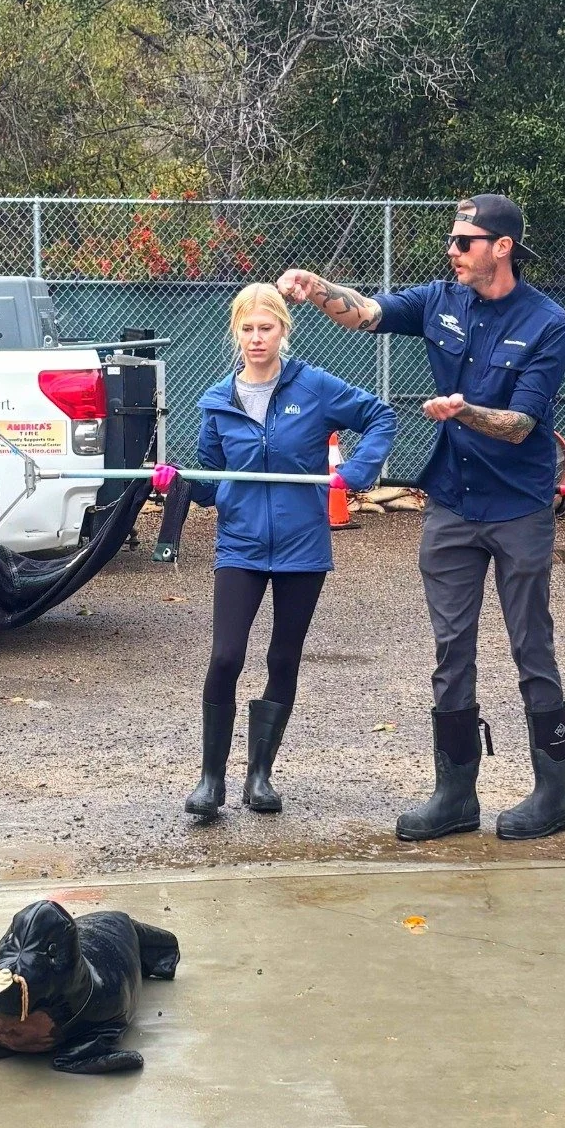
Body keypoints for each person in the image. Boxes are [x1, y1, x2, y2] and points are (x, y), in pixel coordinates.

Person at [277, 194, 565, 842]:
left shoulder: (547, 322)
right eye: (451, 239)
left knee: (531, 646)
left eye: (464, 241)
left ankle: (555, 793)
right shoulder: (440, 300)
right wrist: (316, 287)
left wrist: (462, 411)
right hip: (451, 503)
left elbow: (521, 424)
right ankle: (455, 795)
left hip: (519, 507)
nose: (452, 250)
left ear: (502, 247)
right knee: (451, 652)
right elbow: (367, 313)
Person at [153, 283, 396, 818]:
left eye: (266, 327)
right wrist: (179, 482)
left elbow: (381, 416)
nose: (257, 338)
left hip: (301, 545)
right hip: (239, 545)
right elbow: (213, 484)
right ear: (235, 333)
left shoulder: (314, 387)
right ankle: (211, 780)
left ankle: (259, 775)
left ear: (284, 330)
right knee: (226, 656)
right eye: (247, 328)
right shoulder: (217, 401)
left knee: (283, 657)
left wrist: (357, 472)